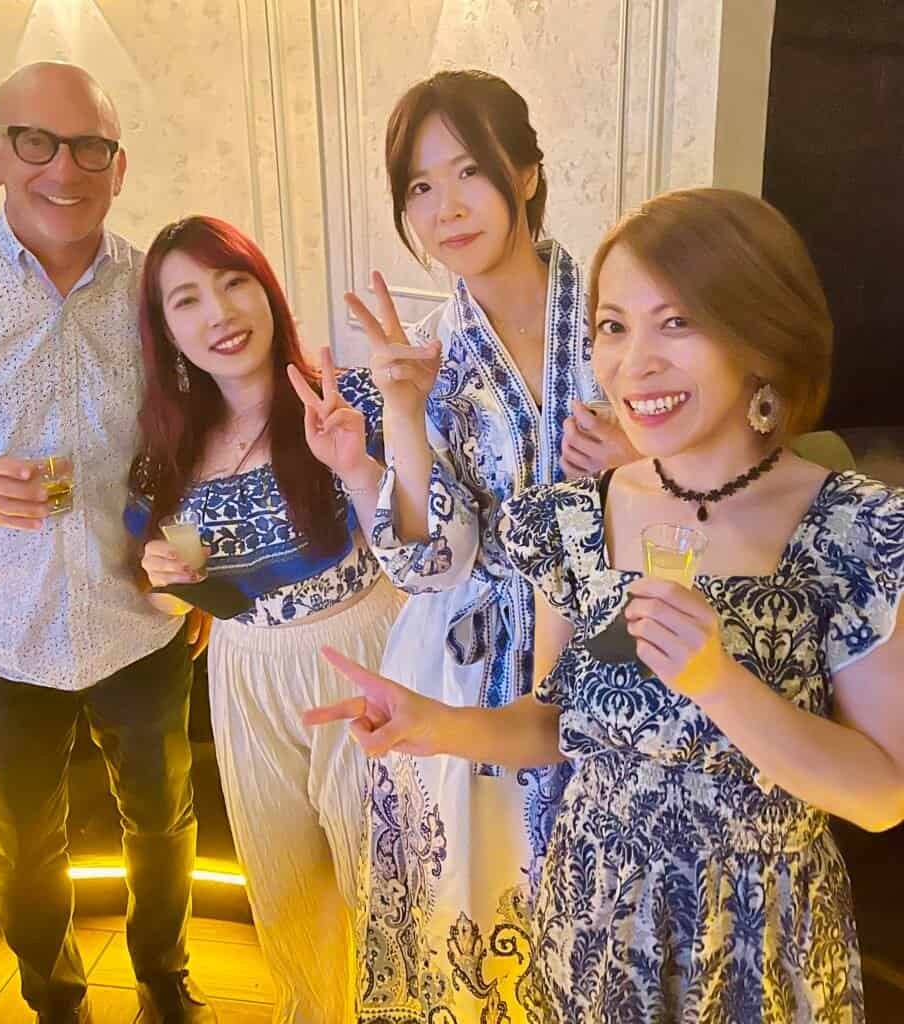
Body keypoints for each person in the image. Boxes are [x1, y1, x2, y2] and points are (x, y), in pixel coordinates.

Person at [307, 187, 904, 1022]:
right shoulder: (574, 518)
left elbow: (881, 795)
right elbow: (553, 726)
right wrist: (430, 724)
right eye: (614, 327)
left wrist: (718, 681)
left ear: (763, 335)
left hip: (754, 938)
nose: (634, 363)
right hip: (593, 924)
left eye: (678, 322)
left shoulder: (854, 529)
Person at [0, 63, 215, 1024]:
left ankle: (164, 980)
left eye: (90, 148)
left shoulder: (158, 289)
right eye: (37, 142)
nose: (64, 169)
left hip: (138, 618)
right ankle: (56, 1003)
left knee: (164, 817)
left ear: (119, 166)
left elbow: (199, 443)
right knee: (20, 840)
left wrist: (198, 573)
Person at [315, 69, 634, 1021]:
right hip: (464, 668)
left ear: (526, 174)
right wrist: (402, 412)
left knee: (605, 921)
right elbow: (431, 564)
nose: (445, 208)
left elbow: (718, 461)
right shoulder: (422, 352)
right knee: (474, 926)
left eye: (468, 172)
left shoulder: (622, 316)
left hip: (616, 652)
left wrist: (637, 464)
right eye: (419, 186)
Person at [134, 215, 403, 1024]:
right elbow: (169, 596)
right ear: (167, 331)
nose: (219, 313)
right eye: (187, 300)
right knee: (284, 879)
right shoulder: (167, 451)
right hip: (246, 667)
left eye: (233, 283)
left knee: (384, 874)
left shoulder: (345, 398)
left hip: (362, 648)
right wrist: (167, 581)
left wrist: (359, 464)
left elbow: (413, 547)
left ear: (267, 291)